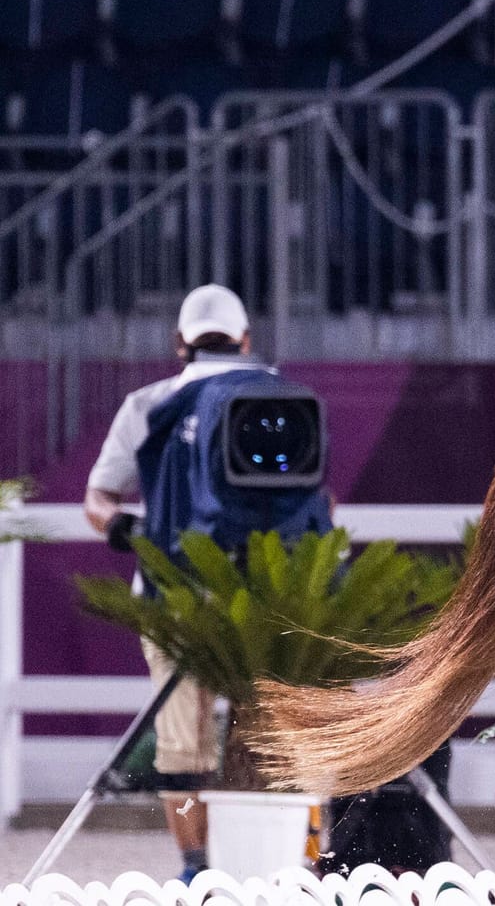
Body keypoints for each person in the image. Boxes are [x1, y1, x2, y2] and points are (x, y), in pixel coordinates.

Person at [82, 284, 261, 882]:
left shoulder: (150, 404)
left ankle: (233, 864)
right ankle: (198, 871)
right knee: (186, 750)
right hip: (198, 599)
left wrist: (127, 529)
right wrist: (138, 533)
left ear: (179, 342)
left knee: (201, 747)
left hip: (224, 601)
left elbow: (97, 501)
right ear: (244, 339)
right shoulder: (152, 407)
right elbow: (100, 501)